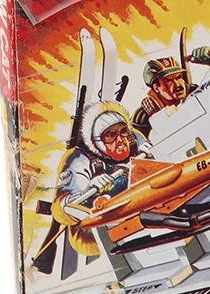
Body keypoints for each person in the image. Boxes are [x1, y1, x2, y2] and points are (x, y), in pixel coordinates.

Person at [51, 101, 151, 254]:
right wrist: (89, 190)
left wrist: (152, 154)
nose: (120, 140)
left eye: (123, 131)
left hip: (142, 208)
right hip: (99, 234)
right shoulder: (78, 159)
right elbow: (60, 209)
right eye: (110, 135)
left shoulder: (135, 138)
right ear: (96, 140)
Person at [132, 47, 210, 134]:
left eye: (178, 77)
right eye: (168, 81)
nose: (177, 85)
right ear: (156, 88)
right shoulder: (143, 117)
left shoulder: (195, 91)